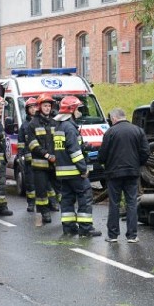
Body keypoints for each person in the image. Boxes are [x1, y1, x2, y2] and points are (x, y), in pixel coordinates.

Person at [98, 107, 149, 243]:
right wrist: (138, 164)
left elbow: (102, 155)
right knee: (131, 202)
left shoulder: (110, 132)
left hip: (113, 173)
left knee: (114, 203)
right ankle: (132, 236)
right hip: (132, 172)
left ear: (114, 118)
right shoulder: (138, 131)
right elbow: (146, 152)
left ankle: (113, 235)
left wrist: (104, 162)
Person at [53, 96, 101, 237]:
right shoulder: (70, 128)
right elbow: (74, 152)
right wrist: (83, 169)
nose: (80, 111)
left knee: (67, 199)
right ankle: (86, 229)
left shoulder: (60, 127)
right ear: (71, 110)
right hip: (75, 171)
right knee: (85, 196)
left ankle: (69, 228)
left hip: (63, 172)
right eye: (78, 108)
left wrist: (85, 146)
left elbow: (66, 148)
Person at [26, 93, 58, 224]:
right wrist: (47, 155)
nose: (47, 108)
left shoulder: (54, 122)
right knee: (41, 191)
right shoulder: (33, 124)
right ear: (40, 107)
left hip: (54, 163)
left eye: (49, 106)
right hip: (40, 165)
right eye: (45, 105)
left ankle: (62, 209)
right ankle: (44, 212)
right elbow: (33, 145)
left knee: (58, 189)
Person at [17, 97, 38, 212]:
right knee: (30, 183)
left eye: (35, 107)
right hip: (29, 160)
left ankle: (50, 203)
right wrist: (21, 155)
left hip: (41, 158)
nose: (33, 109)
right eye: (31, 107)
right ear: (27, 110)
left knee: (45, 182)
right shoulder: (24, 126)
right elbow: (21, 142)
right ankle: (31, 203)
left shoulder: (41, 122)